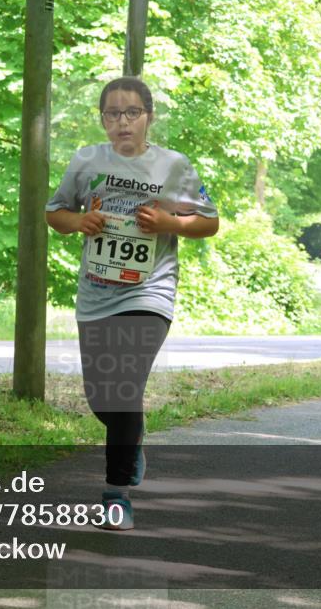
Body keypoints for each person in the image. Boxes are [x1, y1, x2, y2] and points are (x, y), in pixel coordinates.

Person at [45, 77, 219, 529]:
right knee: (101, 398)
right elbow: (55, 213)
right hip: (96, 295)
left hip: (150, 292)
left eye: (132, 113)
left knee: (124, 387)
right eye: (112, 114)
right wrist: (80, 220)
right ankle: (133, 440)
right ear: (102, 119)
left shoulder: (173, 165)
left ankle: (115, 495)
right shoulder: (86, 161)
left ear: (149, 116)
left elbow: (209, 221)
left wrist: (169, 222)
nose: (122, 122)